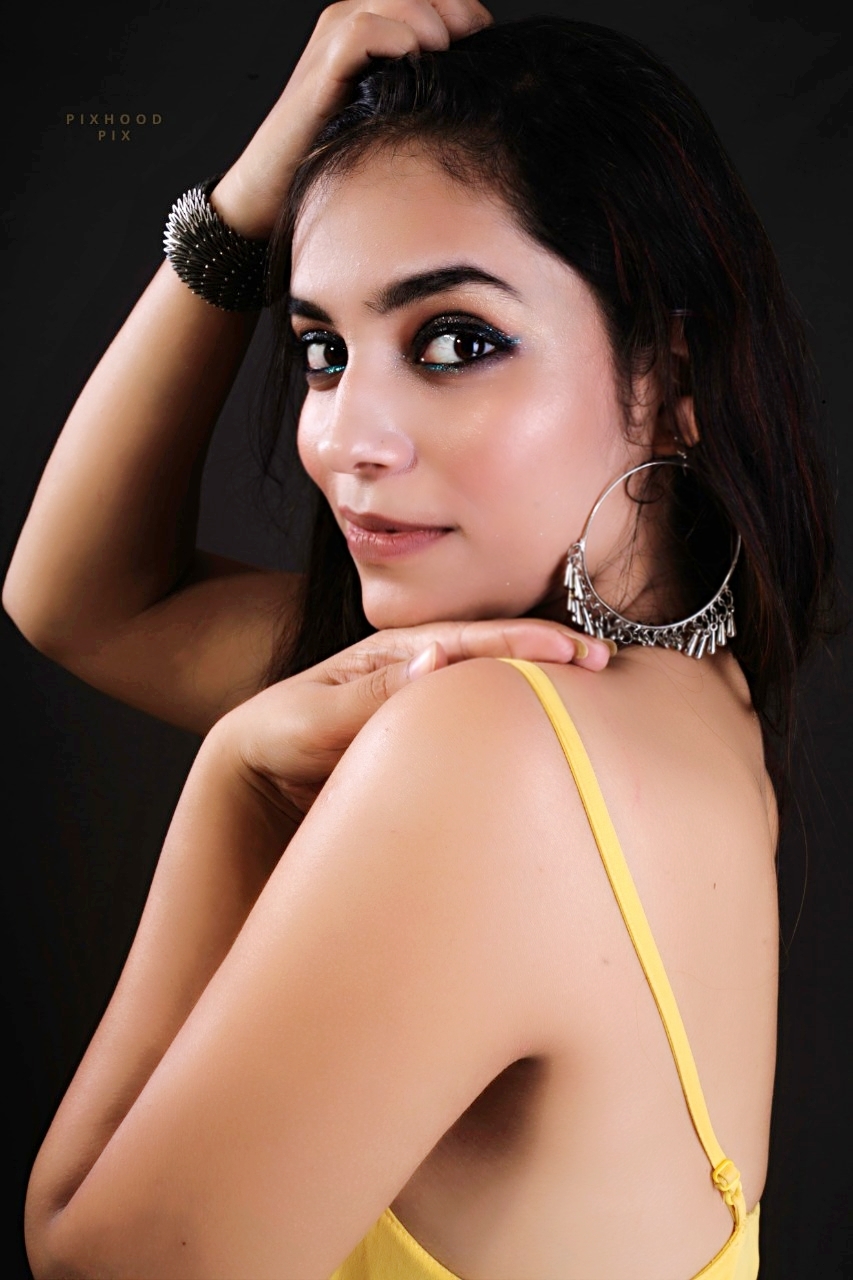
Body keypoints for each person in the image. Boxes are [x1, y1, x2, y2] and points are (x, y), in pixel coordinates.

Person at [4, 1, 837, 1277]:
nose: (345, 438)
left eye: (455, 341)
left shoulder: (492, 749)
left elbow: (89, 1257)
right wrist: (243, 207)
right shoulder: (686, 691)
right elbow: (81, 602)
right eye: (322, 349)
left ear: (667, 378)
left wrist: (233, 782)